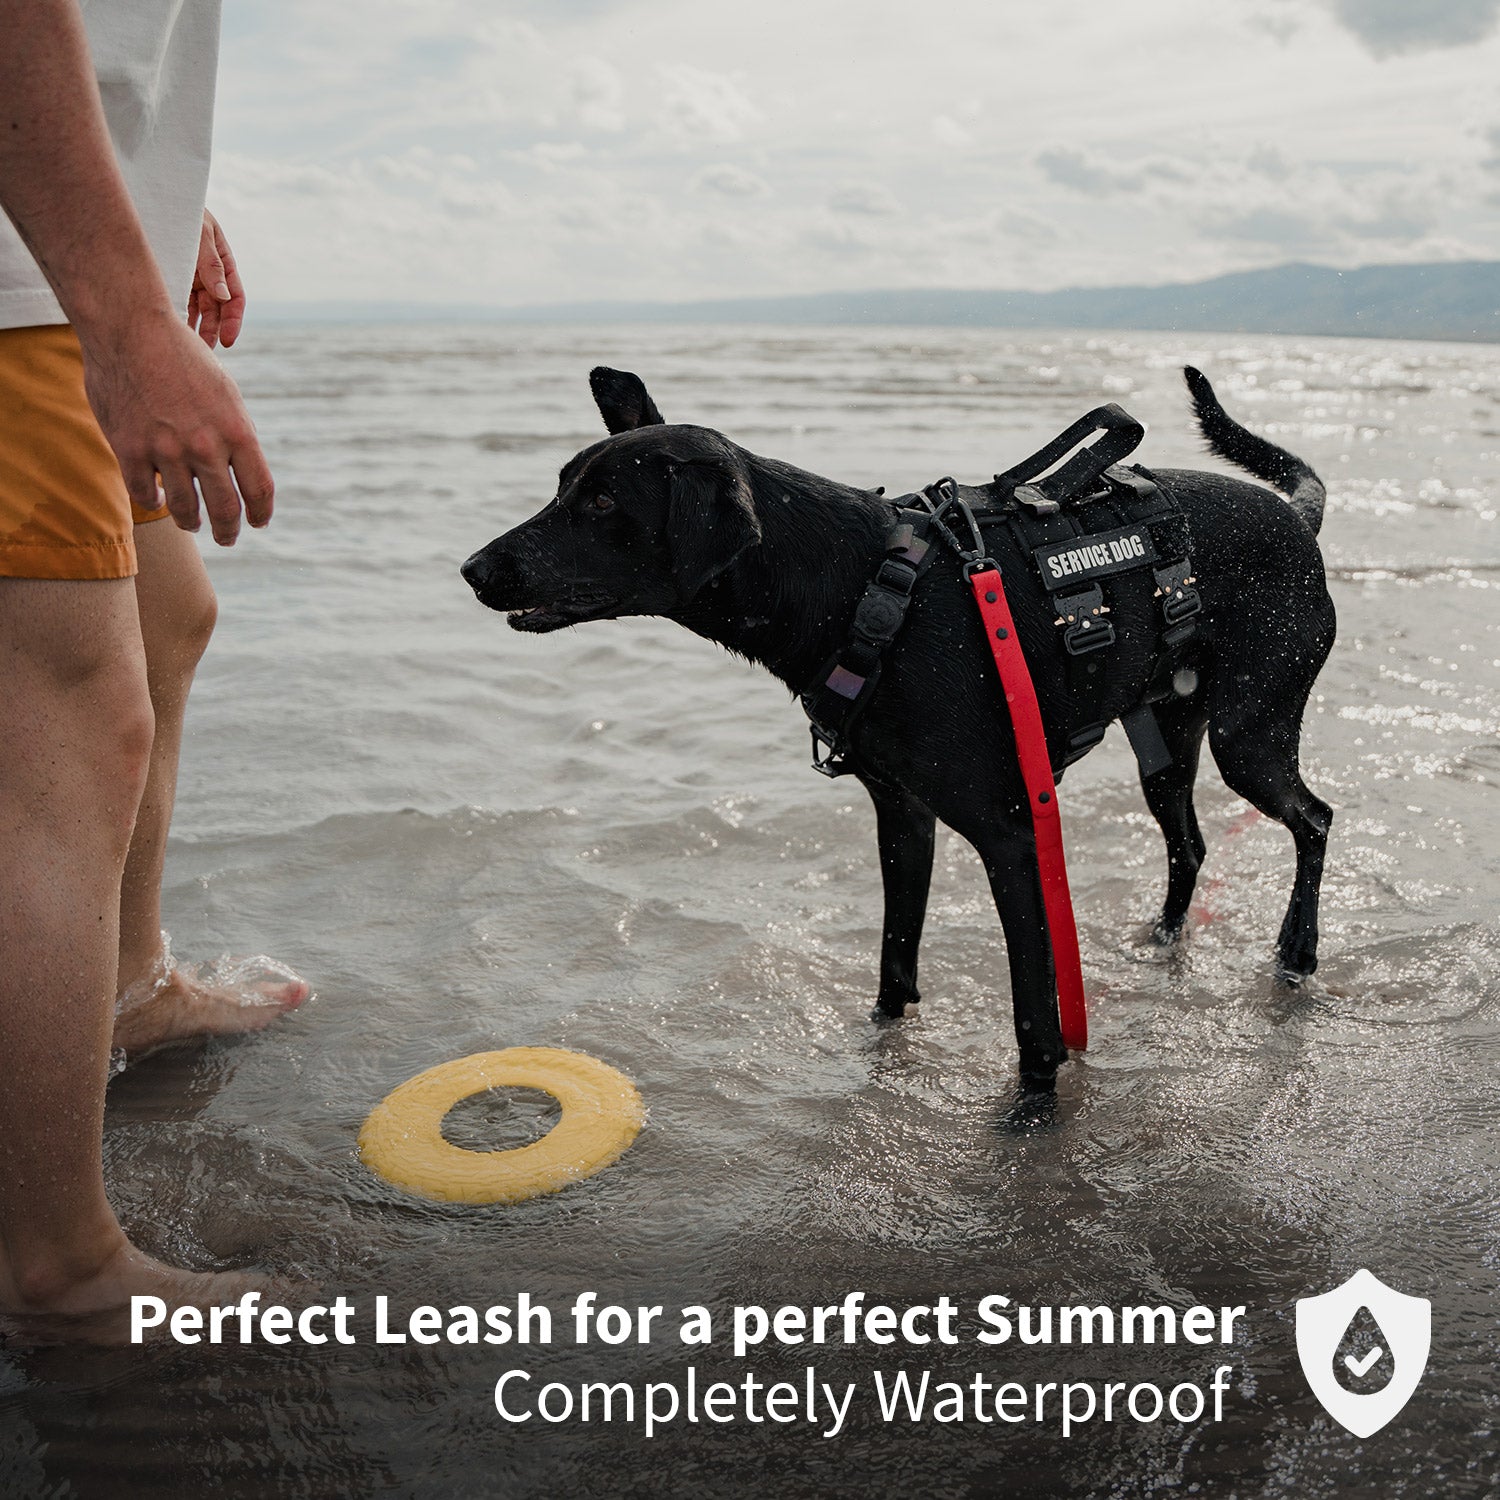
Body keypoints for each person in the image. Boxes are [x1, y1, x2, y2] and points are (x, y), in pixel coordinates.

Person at [1, 0, 306, 1343]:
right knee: (62, 736)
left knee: (168, 614)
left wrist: (149, 207)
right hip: (16, 287)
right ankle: (63, 1269)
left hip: (51, 237)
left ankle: (128, 981)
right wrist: (123, 313)